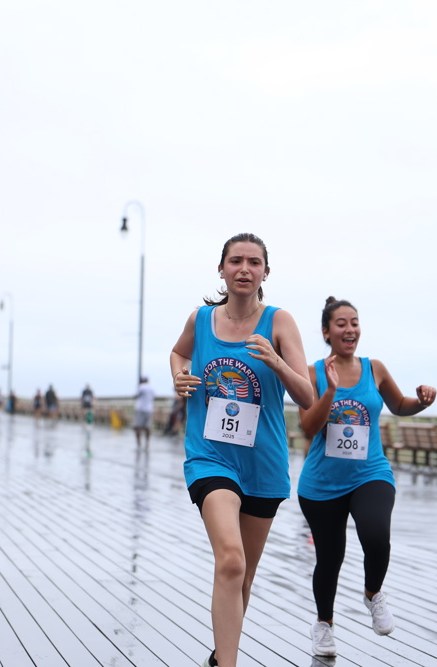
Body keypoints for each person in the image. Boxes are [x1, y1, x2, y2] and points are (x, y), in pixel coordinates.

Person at [170, 232, 314, 667]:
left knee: (243, 577)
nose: (244, 269)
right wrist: (179, 376)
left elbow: (307, 396)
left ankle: (220, 656)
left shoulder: (280, 322)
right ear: (222, 269)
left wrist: (276, 362)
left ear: (265, 273)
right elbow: (178, 354)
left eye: (254, 262)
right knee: (230, 561)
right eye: (236, 261)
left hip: (263, 464)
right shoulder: (201, 320)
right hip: (210, 457)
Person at [298, 297, 435, 657]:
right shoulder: (312, 373)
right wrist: (330, 390)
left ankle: (373, 593)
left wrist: (421, 402)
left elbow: (399, 405)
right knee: (330, 559)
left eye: (354, 322)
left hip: (370, 473)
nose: (350, 330)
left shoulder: (374, 368)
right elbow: (308, 427)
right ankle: (324, 625)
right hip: (322, 483)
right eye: (341, 324)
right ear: (326, 332)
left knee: (376, 536)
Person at [133, 377, 155, 448]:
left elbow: (136, 395)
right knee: (147, 427)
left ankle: (139, 444)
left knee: (137, 427)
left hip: (140, 409)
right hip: (149, 409)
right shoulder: (151, 388)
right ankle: (147, 443)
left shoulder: (141, 387)